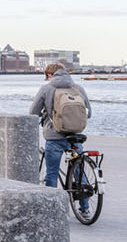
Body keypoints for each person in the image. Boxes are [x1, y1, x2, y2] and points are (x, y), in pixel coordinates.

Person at [28, 61, 91, 189]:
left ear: (50, 74)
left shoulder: (46, 89)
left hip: (54, 136)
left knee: (52, 173)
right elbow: (88, 113)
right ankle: (85, 208)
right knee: (79, 171)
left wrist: (45, 114)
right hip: (75, 136)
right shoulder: (78, 88)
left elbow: (33, 112)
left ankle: (51, 205)